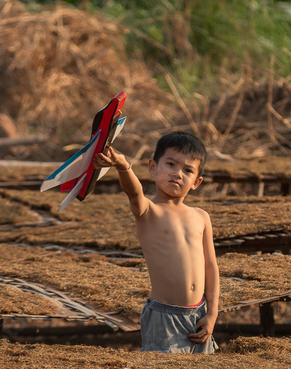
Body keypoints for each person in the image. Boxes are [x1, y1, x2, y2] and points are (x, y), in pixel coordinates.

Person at [94, 131, 219, 353]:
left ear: (197, 182)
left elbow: (211, 267)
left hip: (199, 314)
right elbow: (134, 193)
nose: (177, 174)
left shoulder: (201, 216)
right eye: (171, 164)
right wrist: (123, 166)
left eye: (187, 170)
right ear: (153, 167)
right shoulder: (148, 211)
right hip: (164, 317)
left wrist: (212, 313)